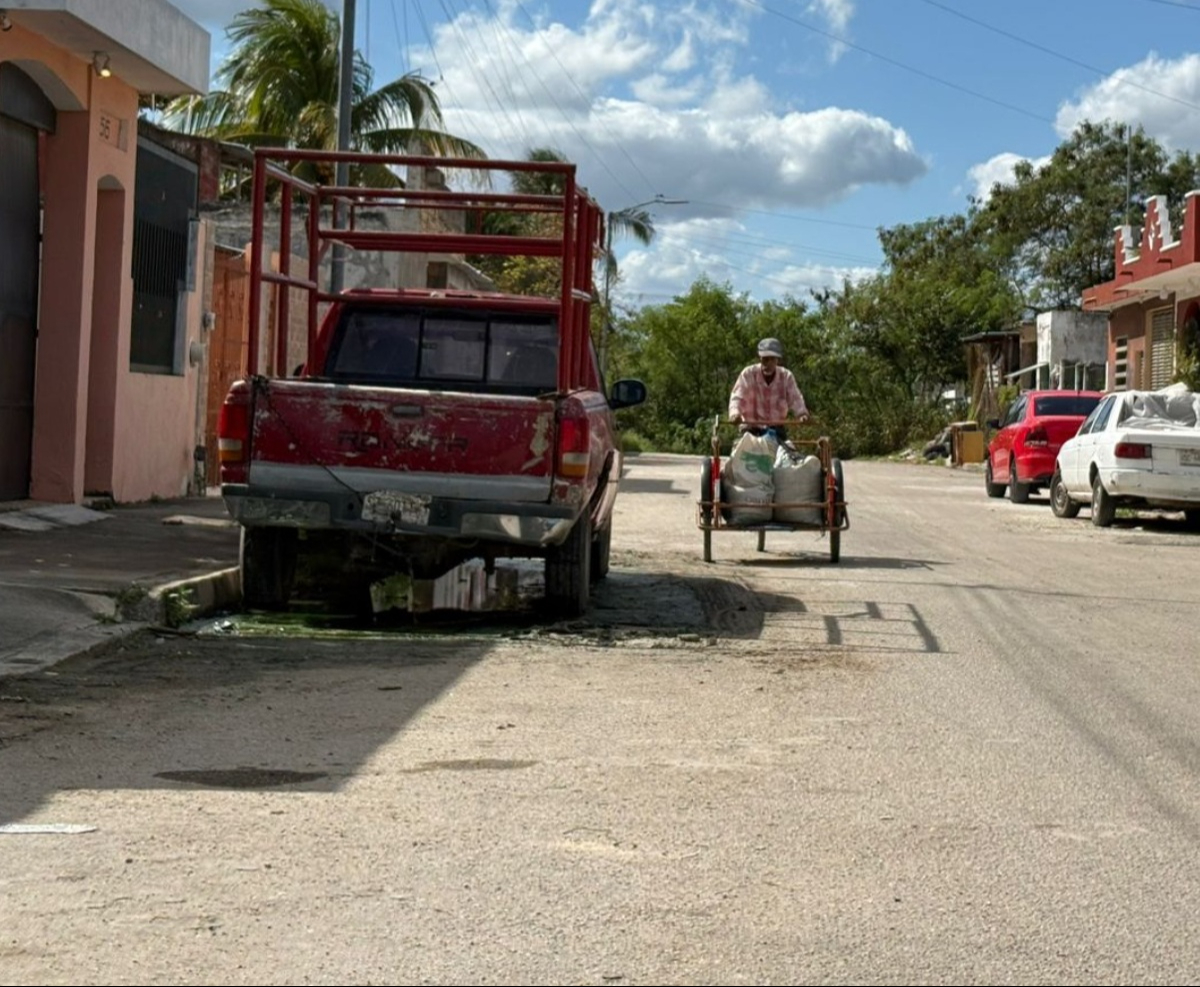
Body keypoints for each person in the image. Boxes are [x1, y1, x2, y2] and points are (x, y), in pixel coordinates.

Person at [728, 337, 809, 439]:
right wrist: (735, 414)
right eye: (765, 359)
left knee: (787, 453)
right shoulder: (748, 374)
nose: (769, 363)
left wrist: (802, 414)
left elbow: (795, 398)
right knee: (741, 451)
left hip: (776, 431)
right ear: (760, 358)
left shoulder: (786, 376)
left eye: (772, 359)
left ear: (777, 360)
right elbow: (738, 397)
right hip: (750, 429)